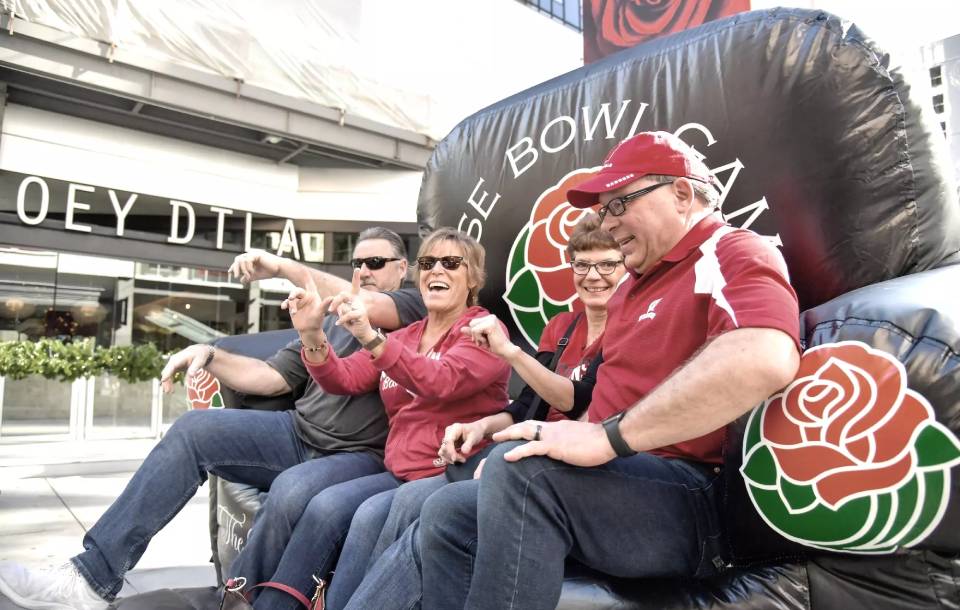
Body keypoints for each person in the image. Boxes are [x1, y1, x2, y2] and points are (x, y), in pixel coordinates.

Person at [344, 131, 802, 610]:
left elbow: (764, 355)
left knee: (524, 475)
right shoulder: (632, 288)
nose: (609, 221)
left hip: (692, 496)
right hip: (617, 479)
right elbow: (601, 403)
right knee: (447, 510)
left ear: (682, 194)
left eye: (620, 203)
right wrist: (546, 434)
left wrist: (607, 437)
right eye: (603, 210)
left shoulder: (729, 251)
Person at [0, 227, 425, 610]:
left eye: (376, 262)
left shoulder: (413, 308)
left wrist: (280, 266)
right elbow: (270, 377)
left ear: (402, 268)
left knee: (292, 491)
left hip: (357, 455)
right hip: (296, 433)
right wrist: (208, 354)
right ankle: (91, 577)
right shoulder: (329, 321)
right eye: (357, 263)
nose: (364, 271)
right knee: (193, 430)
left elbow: (362, 302)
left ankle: (240, 599)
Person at [323, 214, 624, 610]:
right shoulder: (562, 328)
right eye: (582, 265)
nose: (593, 276)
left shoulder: (627, 329)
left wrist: (510, 354)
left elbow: (575, 400)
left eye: (607, 264)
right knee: (356, 509)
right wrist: (481, 427)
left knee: (416, 505)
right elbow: (526, 408)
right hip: (479, 457)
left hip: (562, 466)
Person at [234, 227, 511, 609]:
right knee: (325, 506)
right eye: (428, 262)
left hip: (449, 474)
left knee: (365, 516)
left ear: (474, 278)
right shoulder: (406, 336)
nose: (437, 270)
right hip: (399, 472)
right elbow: (343, 378)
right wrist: (312, 334)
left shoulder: (482, 331)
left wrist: (370, 336)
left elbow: (439, 381)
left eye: (451, 263)